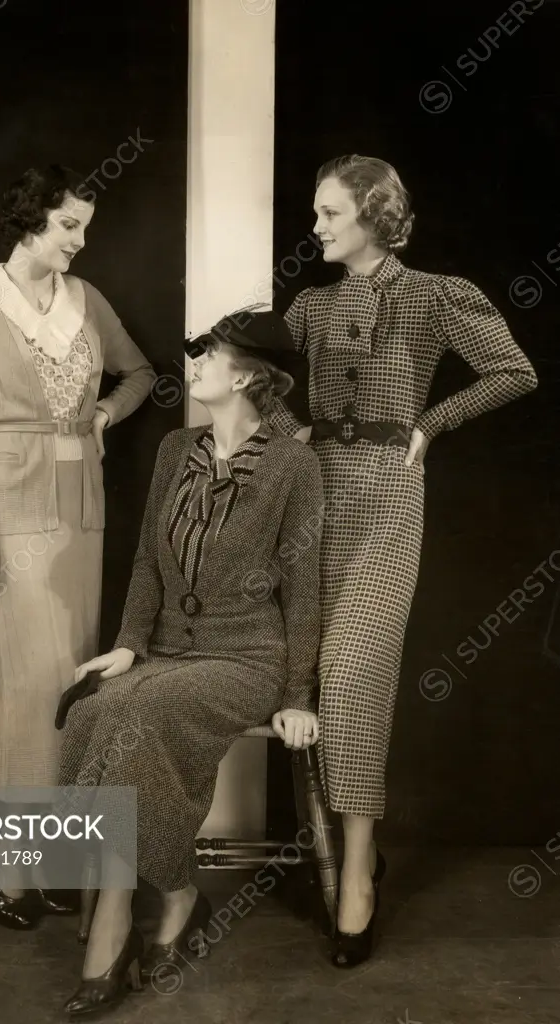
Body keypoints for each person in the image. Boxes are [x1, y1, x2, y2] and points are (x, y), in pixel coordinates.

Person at [270, 154, 538, 967]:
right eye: (313, 214)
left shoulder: (432, 295)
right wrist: (294, 433)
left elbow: (513, 371)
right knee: (310, 671)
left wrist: (430, 424)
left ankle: (356, 870)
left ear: (373, 217)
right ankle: (330, 853)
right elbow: (255, 378)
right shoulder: (309, 307)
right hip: (316, 500)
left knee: (353, 675)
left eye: (327, 214)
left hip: (388, 497)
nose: (313, 228)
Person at [57, 309, 323, 1018]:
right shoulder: (175, 449)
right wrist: (126, 645)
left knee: (136, 713)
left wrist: (298, 692)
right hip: (166, 649)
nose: (194, 362)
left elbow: (301, 590)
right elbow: (147, 562)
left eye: (208, 354)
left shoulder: (296, 465)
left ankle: (111, 929)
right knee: (97, 705)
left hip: (244, 658)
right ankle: (175, 891)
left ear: (244, 376)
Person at [0, 163, 156, 928]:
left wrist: (104, 416)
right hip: (12, 505)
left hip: (81, 507)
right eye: (69, 226)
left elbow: (139, 373)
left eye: (85, 227)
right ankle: (7, 872)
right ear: (31, 219)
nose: (80, 241)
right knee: (27, 690)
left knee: (75, 685)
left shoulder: (85, 300)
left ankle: (55, 860)